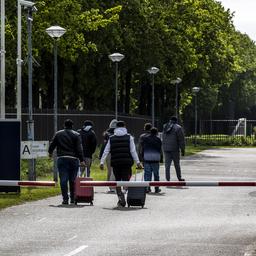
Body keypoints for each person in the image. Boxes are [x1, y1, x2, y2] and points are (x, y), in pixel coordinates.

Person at [100, 120, 143, 207]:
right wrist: (138, 162)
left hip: (116, 163)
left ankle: (120, 196)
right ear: (124, 127)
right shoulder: (129, 137)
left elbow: (106, 151)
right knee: (126, 180)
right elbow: (133, 151)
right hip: (127, 163)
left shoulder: (111, 138)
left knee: (117, 181)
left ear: (116, 128)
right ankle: (124, 191)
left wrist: (101, 162)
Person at [48, 119, 85, 205]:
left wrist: (50, 153)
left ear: (64, 125)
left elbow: (52, 144)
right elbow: (79, 149)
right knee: (72, 180)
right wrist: (82, 160)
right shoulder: (77, 135)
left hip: (62, 159)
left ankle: (65, 199)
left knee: (63, 180)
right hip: (73, 159)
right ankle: (72, 198)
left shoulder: (58, 134)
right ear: (72, 126)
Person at [162, 116, 185, 181]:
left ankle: (167, 179)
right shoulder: (178, 128)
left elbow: (163, 137)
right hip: (175, 148)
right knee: (177, 164)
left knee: (167, 165)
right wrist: (182, 149)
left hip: (166, 148)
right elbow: (181, 139)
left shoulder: (165, 126)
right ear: (176, 121)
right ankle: (179, 177)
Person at [99, 119, 118, 193]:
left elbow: (103, 146)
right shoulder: (118, 133)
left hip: (108, 154)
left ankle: (110, 185)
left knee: (110, 170)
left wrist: (101, 157)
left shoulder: (106, 134)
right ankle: (114, 185)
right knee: (115, 170)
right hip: (116, 153)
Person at [142, 127, 162, 193]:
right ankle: (156, 188)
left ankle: (147, 188)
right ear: (156, 133)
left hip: (147, 158)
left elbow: (143, 149)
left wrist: (142, 158)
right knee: (156, 174)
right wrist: (161, 159)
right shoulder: (158, 139)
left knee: (147, 174)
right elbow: (160, 150)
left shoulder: (145, 139)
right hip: (155, 159)